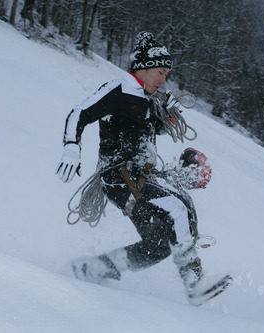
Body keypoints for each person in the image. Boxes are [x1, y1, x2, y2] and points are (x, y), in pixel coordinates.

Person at [56, 31, 230, 305]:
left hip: (139, 176)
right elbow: (80, 112)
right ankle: (195, 282)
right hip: (120, 177)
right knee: (178, 208)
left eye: (166, 74)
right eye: (160, 72)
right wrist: (71, 146)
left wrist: (167, 118)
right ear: (143, 68)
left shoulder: (145, 98)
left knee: (157, 246)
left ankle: (93, 268)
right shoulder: (119, 89)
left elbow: (142, 131)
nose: (164, 79)